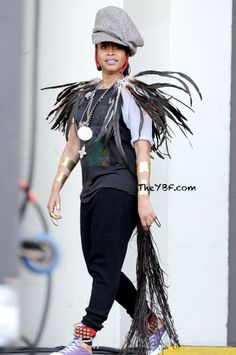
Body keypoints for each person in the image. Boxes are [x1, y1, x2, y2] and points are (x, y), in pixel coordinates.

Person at [45, 6, 201, 355]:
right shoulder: (83, 98)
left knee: (103, 267)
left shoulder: (131, 95)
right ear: (96, 53)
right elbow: (73, 147)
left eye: (117, 46)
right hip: (92, 191)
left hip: (120, 188)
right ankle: (151, 325)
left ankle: (84, 338)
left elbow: (142, 148)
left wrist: (143, 197)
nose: (110, 51)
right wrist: (57, 186)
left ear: (128, 54)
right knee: (101, 267)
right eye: (104, 45)